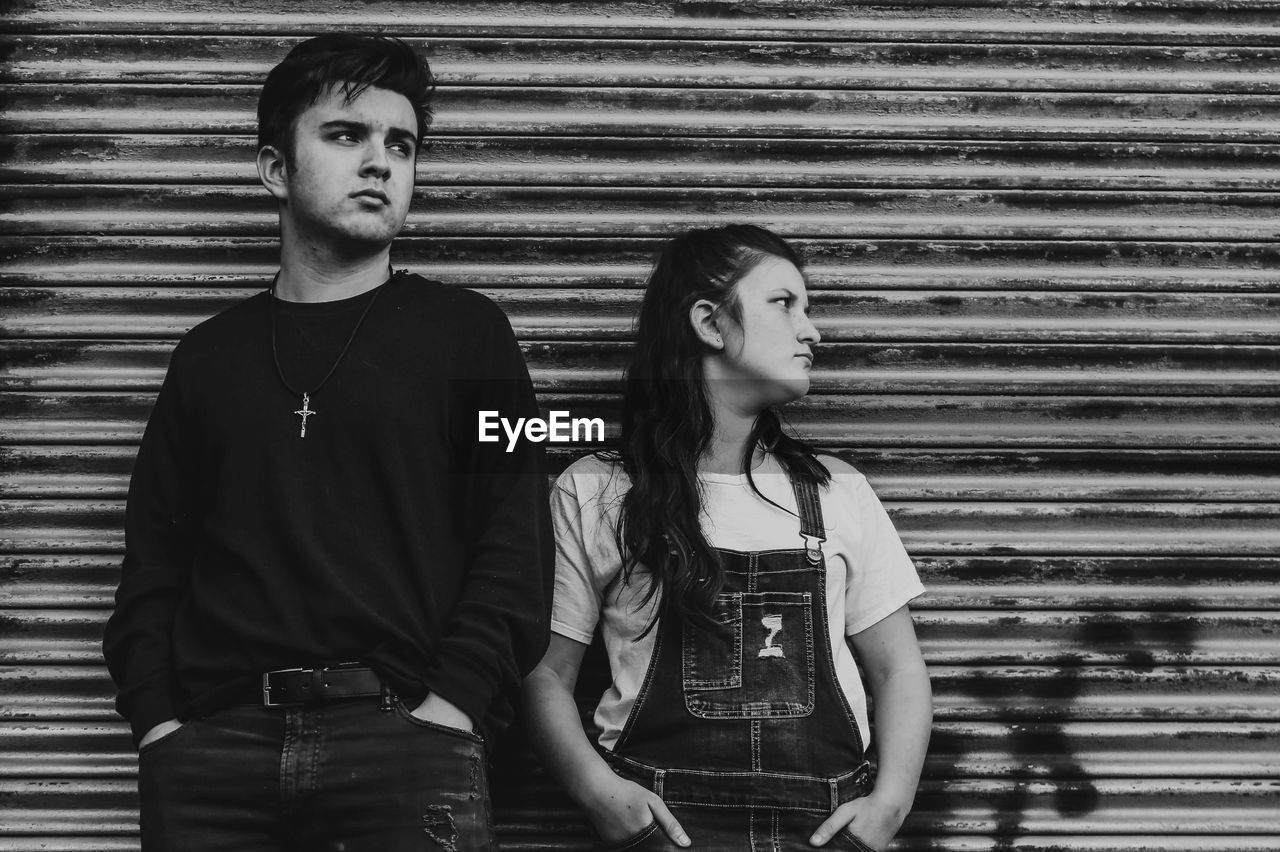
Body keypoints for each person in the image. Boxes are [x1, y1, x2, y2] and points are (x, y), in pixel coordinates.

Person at [102, 34, 552, 851]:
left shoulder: (471, 336)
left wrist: (450, 709)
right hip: (214, 755)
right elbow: (154, 558)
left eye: (401, 145)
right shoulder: (207, 357)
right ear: (276, 169)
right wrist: (160, 724)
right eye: (347, 135)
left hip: (404, 745)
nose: (380, 162)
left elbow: (515, 543)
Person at [523, 225, 931, 851]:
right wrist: (600, 797)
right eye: (784, 303)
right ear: (710, 324)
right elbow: (545, 674)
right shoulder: (598, 490)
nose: (812, 330)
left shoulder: (836, 493)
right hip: (665, 834)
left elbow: (900, 670)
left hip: (822, 832)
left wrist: (888, 809)